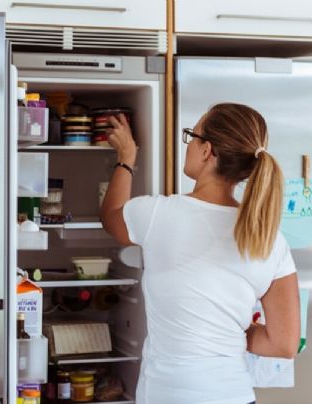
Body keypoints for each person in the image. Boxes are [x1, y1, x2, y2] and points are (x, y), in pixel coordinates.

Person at [100, 103, 301, 404]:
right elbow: (285, 345)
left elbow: (111, 216)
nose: (189, 145)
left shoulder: (159, 214)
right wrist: (229, 333)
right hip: (234, 396)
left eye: (191, 136)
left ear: (207, 150)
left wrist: (126, 158)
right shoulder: (270, 240)